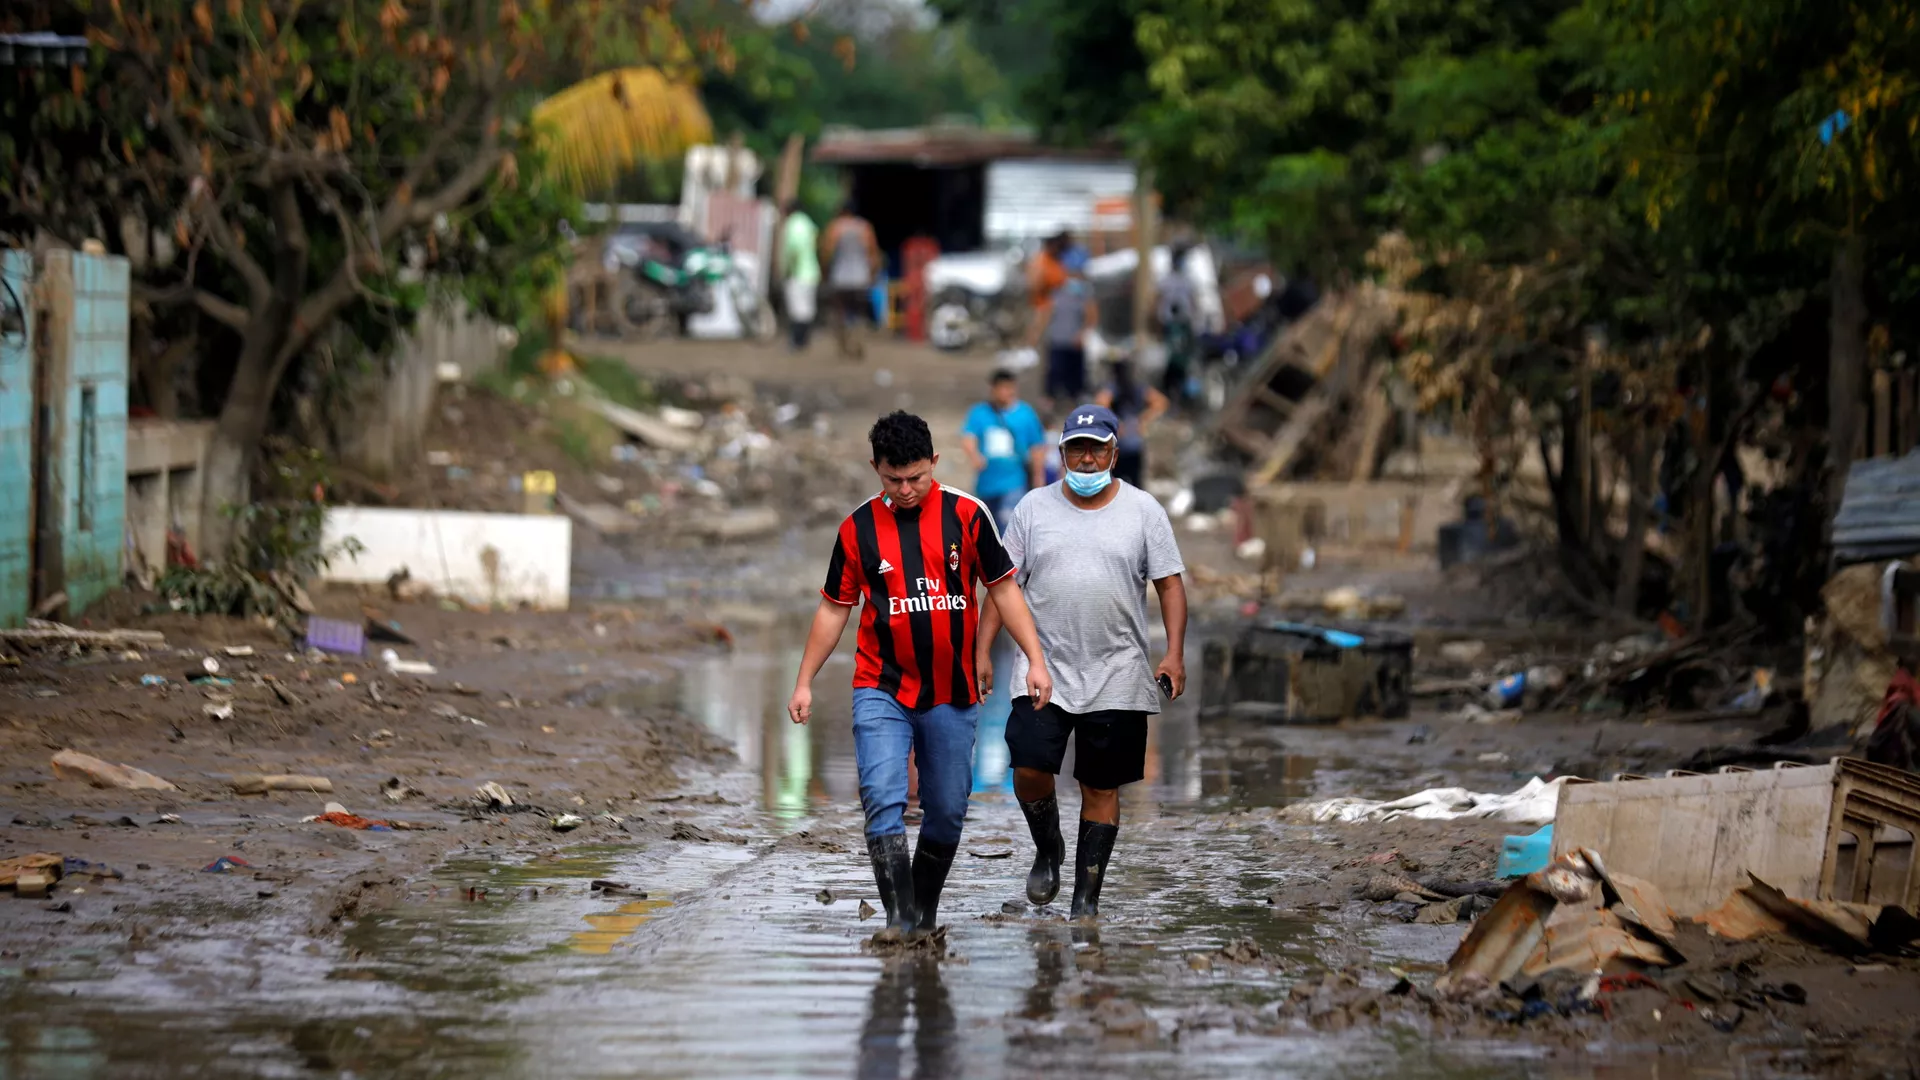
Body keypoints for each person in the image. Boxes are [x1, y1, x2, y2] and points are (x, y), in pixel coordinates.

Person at [787, 411, 1054, 939]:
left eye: (916, 477)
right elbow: (834, 609)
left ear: (934, 462)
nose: (906, 490)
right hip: (881, 687)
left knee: (949, 809)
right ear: (875, 470)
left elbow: (1003, 590)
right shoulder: (857, 528)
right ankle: (898, 916)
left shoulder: (969, 516)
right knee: (882, 795)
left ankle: (923, 912)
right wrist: (804, 680)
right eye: (893, 479)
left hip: (952, 693)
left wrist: (1036, 660)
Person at [976, 404, 1188, 921]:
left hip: (1117, 672)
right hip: (1042, 669)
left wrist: (1175, 654)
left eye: (1097, 449)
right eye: (1077, 449)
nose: (1087, 459)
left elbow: (1169, 585)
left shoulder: (1144, 512)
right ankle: (1049, 847)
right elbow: (1003, 586)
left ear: (1115, 452)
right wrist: (982, 649)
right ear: (1062, 453)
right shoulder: (1032, 509)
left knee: (1100, 786)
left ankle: (1085, 901)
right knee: (1028, 766)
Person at [960, 369, 1048, 530]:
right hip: (987, 481)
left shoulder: (1025, 414)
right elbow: (968, 437)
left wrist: (1038, 475)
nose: (1005, 392)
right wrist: (975, 456)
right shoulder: (980, 412)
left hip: (1014, 481)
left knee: (1008, 525)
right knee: (986, 527)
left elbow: (1037, 446)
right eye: (1001, 388)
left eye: (1009, 387)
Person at [1038, 247, 1098, 414]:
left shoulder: (1085, 293)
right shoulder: (1057, 291)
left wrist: (1082, 333)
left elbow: (1091, 316)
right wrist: (1038, 335)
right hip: (1057, 340)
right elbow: (1047, 313)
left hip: (1074, 343)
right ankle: (1048, 408)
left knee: (1075, 379)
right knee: (1053, 375)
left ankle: (1076, 409)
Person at [820, 201, 881, 361]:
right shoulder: (865, 228)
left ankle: (843, 347)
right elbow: (873, 254)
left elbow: (826, 252)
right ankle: (857, 343)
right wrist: (872, 274)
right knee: (859, 313)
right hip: (860, 278)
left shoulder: (835, 228)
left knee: (840, 313)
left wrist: (825, 273)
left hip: (840, 278)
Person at [1095, 357, 1168, 489]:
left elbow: (1101, 403)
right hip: (1127, 445)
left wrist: (1143, 419)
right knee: (1129, 486)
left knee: (1119, 487)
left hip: (1125, 446)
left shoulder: (1123, 388)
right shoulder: (1131, 388)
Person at [1156, 246, 1198, 406]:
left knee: (1183, 358)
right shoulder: (1166, 280)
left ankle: (1181, 391)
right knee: (1172, 357)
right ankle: (1168, 389)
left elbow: (1192, 302)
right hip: (1170, 323)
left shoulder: (1187, 280)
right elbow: (1158, 301)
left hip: (1183, 323)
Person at [779, 201, 820, 351]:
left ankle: (797, 341)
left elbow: (793, 248)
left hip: (798, 273)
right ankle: (804, 341)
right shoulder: (808, 223)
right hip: (812, 272)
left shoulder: (793, 223)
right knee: (807, 308)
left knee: (797, 309)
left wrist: (788, 268)